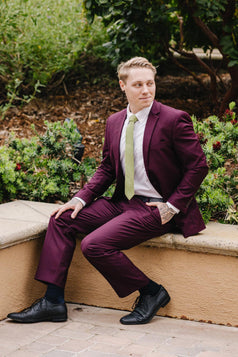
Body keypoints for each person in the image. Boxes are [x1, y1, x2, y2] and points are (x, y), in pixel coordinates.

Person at [7, 57, 208, 325]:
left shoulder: (173, 119)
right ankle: (53, 301)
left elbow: (198, 166)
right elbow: (107, 169)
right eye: (138, 84)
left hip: (156, 207)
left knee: (94, 244)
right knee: (62, 219)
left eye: (150, 83)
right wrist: (80, 199)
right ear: (122, 86)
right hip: (123, 202)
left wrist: (171, 207)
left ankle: (151, 292)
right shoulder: (115, 122)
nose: (146, 90)